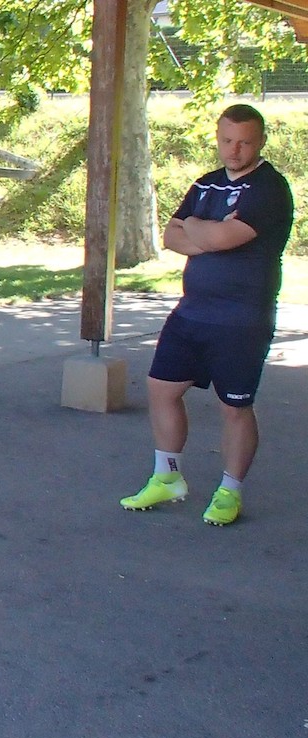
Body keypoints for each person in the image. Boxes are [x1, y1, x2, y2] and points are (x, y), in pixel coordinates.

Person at [119, 104, 294, 526]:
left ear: (261, 141)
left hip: (242, 318)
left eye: (245, 142)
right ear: (217, 137)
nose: (235, 150)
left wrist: (198, 229)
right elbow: (172, 236)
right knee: (161, 388)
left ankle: (229, 491)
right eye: (227, 140)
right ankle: (167, 477)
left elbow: (220, 236)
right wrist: (206, 232)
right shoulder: (206, 184)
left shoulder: (269, 188)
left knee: (234, 406)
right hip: (192, 312)